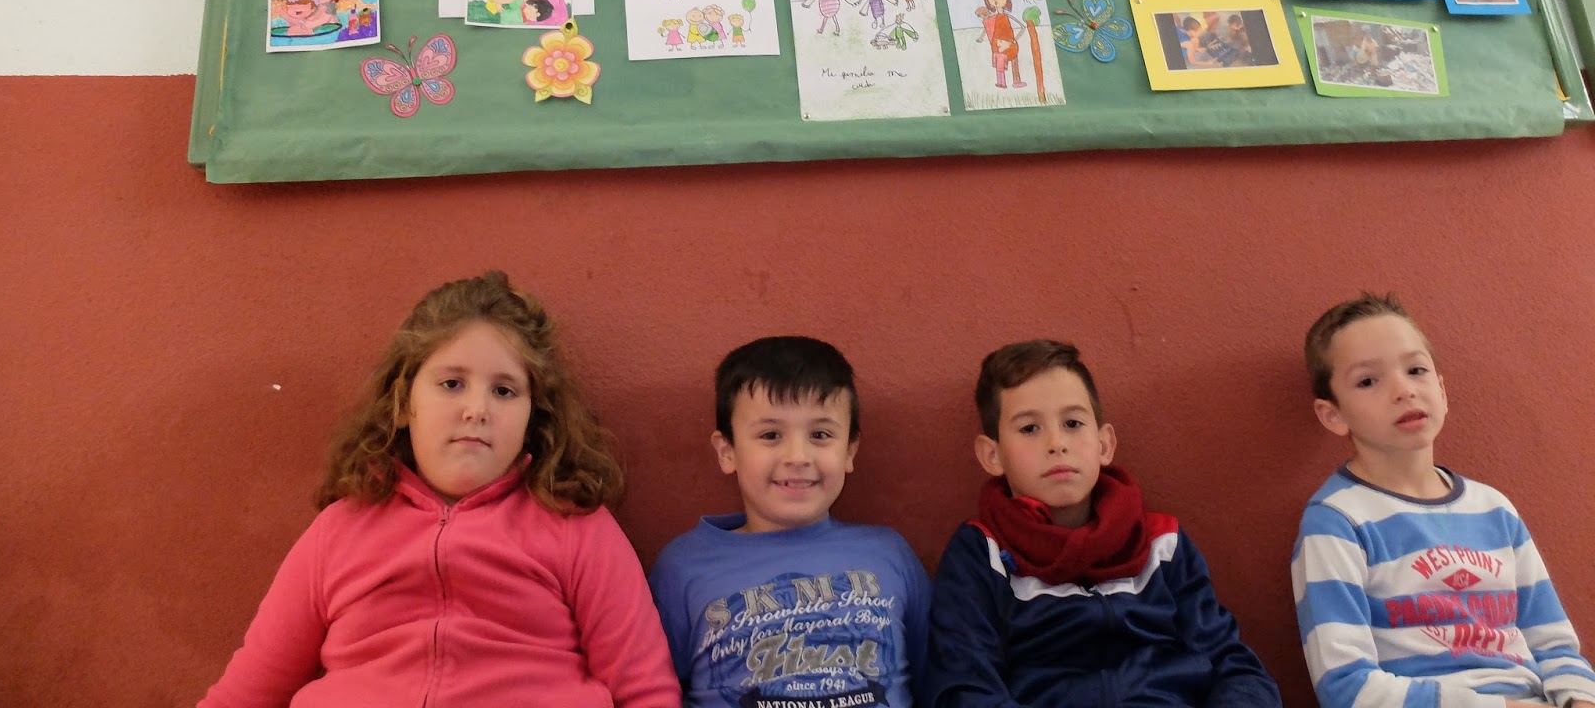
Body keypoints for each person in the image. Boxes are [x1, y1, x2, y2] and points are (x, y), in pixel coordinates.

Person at [196, 271, 682, 708]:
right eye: (451, 384)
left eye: (504, 390)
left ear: (535, 416)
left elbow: (646, 692)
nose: (477, 409)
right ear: (402, 402)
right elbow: (247, 692)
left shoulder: (576, 526)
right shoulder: (339, 530)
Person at [925, 340, 1281, 706]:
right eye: (1029, 428)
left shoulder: (1163, 543)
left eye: (1073, 423)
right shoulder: (980, 555)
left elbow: (1233, 665)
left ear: (1104, 445)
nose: (1057, 443)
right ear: (993, 455)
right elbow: (964, 688)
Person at [1292, 294, 1595, 708]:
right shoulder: (1336, 522)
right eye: (1368, 381)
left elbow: (1555, 645)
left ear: (1442, 390)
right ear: (1334, 415)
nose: (1404, 390)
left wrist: (1580, 699)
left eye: (1416, 370)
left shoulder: (1494, 509)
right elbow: (1346, 687)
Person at [648, 336, 931, 708]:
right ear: (727, 451)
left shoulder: (889, 553)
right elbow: (653, 689)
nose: (797, 456)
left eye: (820, 435)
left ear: (850, 450)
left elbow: (936, 676)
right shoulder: (683, 566)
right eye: (770, 435)